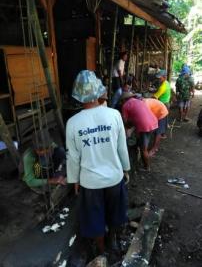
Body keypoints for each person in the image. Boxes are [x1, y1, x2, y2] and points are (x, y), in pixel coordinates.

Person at [66, 70, 130, 255]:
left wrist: (75, 180)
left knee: (95, 218)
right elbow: (122, 148)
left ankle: (101, 250)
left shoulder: (73, 123)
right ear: (99, 92)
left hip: (90, 182)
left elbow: (73, 157)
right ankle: (113, 242)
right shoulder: (114, 115)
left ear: (78, 96)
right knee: (115, 213)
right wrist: (126, 169)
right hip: (113, 178)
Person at [121, 92, 158, 171]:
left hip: (146, 126)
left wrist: (126, 128)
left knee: (143, 149)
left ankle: (147, 167)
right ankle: (141, 150)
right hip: (154, 122)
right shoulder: (139, 101)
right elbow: (138, 115)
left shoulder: (125, 105)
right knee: (142, 140)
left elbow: (124, 121)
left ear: (124, 99)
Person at [23, 129, 66, 193]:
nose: (43, 152)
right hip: (37, 173)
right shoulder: (28, 157)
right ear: (34, 148)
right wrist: (50, 180)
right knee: (42, 162)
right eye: (40, 150)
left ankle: (55, 174)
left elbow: (60, 158)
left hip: (48, 168)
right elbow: (30, 181)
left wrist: (59, 173)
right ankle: (47, 180)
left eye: (46, 148)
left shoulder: (51, 145)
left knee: (61, 151)